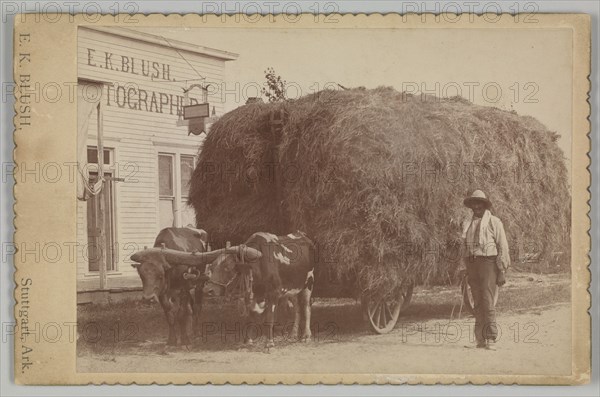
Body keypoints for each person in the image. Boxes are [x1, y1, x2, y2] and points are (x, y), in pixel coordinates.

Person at [461, 190, 510, 350]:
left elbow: (502, 246)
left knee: (488, 301)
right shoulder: (467, 224)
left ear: (484, 205)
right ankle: (480, 339)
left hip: (488, 264)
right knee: (477, 302)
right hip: (472, 264)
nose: (477, 206)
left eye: (479, 203)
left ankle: (491, 338)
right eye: (474, 203)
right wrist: (465, 267)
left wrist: (501, 270)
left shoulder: (494, 222)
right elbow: (465, 247)